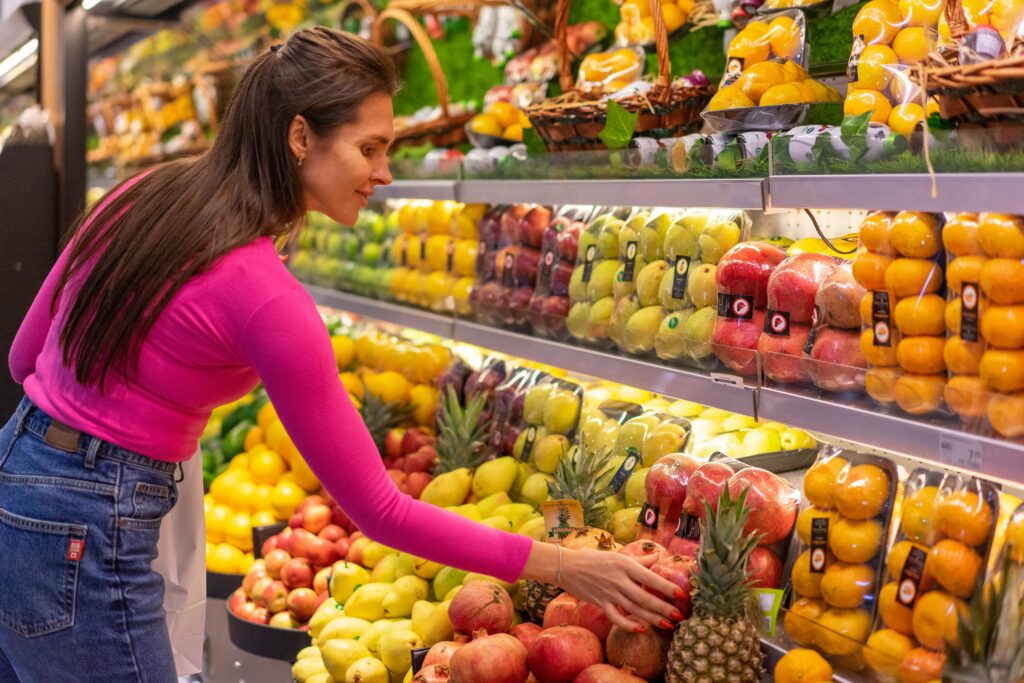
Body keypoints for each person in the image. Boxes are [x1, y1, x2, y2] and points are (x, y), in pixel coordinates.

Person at [1, 27, 681, 682]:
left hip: (18, 473)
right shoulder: (270, 299)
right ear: (301, 136)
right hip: (89, 526)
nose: (384, 172)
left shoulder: (139, 197)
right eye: (370, 148)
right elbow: (380, 510)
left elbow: (22, 358)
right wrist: (562, 564)